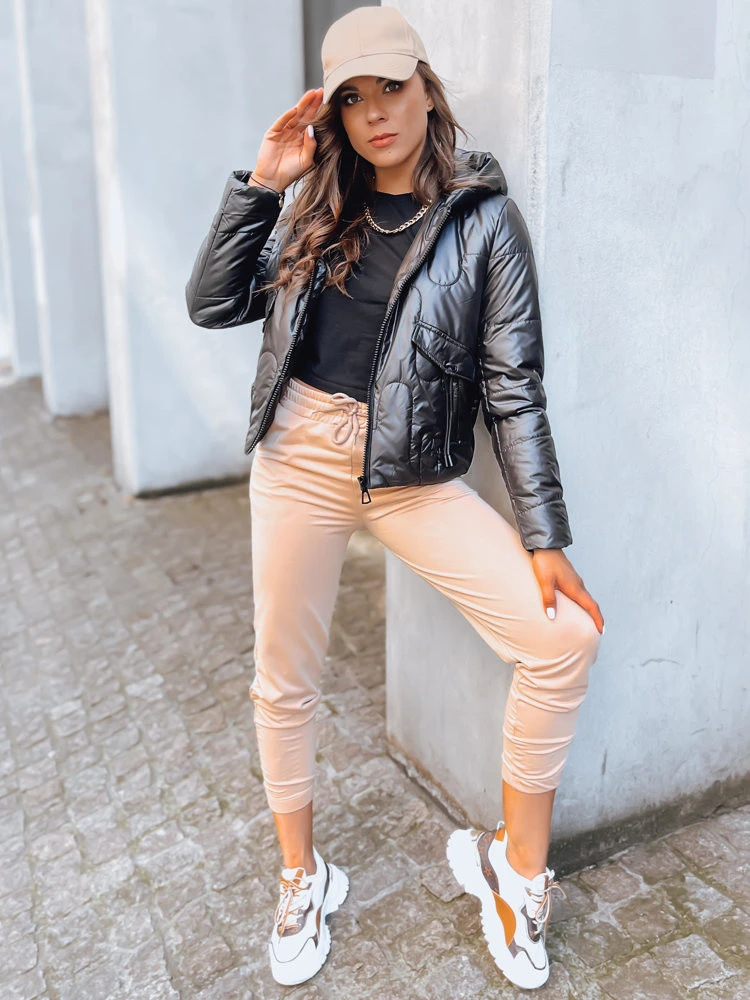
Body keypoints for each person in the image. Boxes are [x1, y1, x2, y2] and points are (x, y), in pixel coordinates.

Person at [185, 5, 604, 990]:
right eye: (354, 99)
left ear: (426, 88)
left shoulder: (483, 219)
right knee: (284, 679)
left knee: (563, 641)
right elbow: (213, 303)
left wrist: (543, 535)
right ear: (334, 115)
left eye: (392, 88)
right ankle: (302, 876)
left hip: (411, 477)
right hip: (299, 454)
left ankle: (516, 870)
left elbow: (513, 385)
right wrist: (262, 184)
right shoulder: (311, 204)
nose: (377, 113)